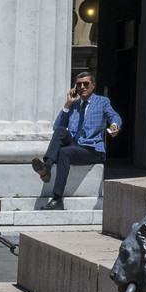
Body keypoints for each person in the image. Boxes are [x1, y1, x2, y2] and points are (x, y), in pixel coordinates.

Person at [35, 69, 121, 209]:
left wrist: (114, 126)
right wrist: (67, 105)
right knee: (62, 131)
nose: (82, 87)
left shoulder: (102, 102)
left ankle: (57, 199)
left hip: (92, 149)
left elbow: (114, 116)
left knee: (64, 152)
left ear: (93, 85)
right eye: (79, 84)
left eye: (86, 84)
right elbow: (57, 128)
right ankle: (47, 166)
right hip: (76, 144)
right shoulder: (73, 104)